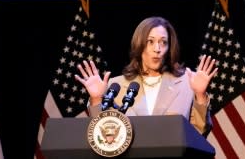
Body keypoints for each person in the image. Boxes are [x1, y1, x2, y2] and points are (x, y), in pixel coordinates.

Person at [75, 16, 218, 135]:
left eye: (163, 42)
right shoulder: (116, 86)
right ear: (139, 44)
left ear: (170, 48)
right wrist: (95, 100)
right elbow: (103, 133)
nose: (157, 49)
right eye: (150, 41)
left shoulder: (187, 82)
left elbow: (199, 133)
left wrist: (200, 95)